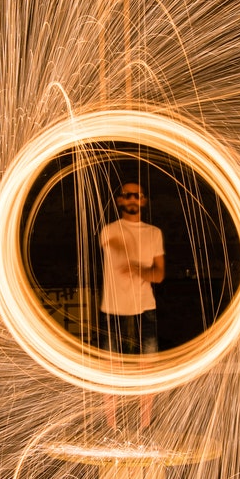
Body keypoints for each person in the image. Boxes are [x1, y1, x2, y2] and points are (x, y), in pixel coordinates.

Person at [100, 180, 164, 431]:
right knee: (110, 369)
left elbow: (158, 275)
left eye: (137, 195)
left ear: (144, 201)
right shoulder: (109, 230)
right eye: (127, 195)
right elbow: (113, 245)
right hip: (112, 309)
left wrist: (137, 267)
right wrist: (127, 254)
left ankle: (145, 426)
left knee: (146, 369)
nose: (132, 200)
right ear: (119, 201)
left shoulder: (154, 233)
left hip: (145, 308)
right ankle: (111, 427)